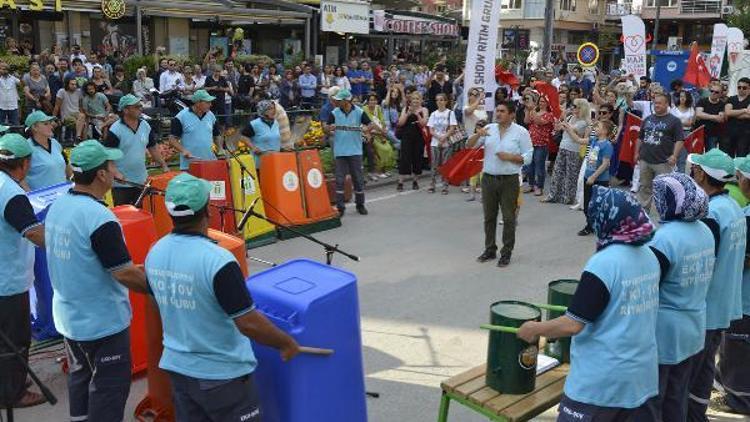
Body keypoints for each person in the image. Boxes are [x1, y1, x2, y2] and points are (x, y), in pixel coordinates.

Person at [144, 173, 300, 421]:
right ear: (207, 209)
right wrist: (285, 342)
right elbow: (247, 322)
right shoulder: (218, 260)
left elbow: (157, 306)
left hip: (179, 370)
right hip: (222, 376)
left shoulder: (156, 251)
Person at [517, 186, 660, 421]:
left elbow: (573, 324)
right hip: (640, 377)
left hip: (601, 384)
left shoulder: (603, 264)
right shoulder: (650, 256)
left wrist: (535, 329)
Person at [45, 140, 150, 422]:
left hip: (70, 319)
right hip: (102, 323)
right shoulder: (99, 217)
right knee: (108, 390)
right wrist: (158, 288)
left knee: (80, 380)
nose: (116, 170)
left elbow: (85, 255)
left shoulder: (59, 205)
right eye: (112, 165)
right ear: (101, 174)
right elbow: (123, 273)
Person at [648, 172, 716, 422]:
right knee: (677, 396)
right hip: (694, 326)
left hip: (665, 333)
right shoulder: (704, 230)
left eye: (659, 197)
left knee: (655, 399)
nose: (656, 203)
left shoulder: (665, 238)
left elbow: (650, 284)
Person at [686, 148, 746, 421]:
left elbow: (704, 262)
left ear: (701, 174)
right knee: (706, 365)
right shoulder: (734, 207)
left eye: (696, 169)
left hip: (707, 308)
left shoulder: (712, 213)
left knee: (695, 369)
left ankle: (694, 415)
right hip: (725, 305)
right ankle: (698, 412)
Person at [0, 134, 46, 410]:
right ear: (25, 163)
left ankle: (9, 380)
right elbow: (34, 234)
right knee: (15, 338)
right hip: (8, 279)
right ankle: (13, 392)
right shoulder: (11, 193)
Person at [467, 101, 532, 268]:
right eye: (497, 111)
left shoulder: (521, 132)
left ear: (511, 114)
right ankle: (490, 249)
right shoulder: (489, 129)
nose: (498, 114)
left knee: (509, 218)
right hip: (488, 179)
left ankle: (506, 252)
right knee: (489, 217)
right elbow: (469, 145)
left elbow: (529, 155)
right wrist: (477, 135)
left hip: (509, 180)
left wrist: (511, 157)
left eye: (502, 111)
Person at [715, 155, 750, 414]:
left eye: (740, 177)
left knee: (739, 349)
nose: (737, 181)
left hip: (745, 297)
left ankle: (738, 401)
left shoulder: (746, 215)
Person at [105, 95, 169, 206]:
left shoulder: (145, 125)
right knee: (126, 219)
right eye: (137, 107)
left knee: (143, 216)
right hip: (122, 184)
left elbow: (153, 148)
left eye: (140, 106)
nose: (141, 108)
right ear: (125, 110)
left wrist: (163, 165)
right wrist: (116, 173)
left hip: (142, 181)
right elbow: (108, 159)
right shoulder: (115, 130)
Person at [325, 88, 373, 217]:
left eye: (340, 100)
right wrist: (329, 128)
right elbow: (326, 128)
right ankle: (340, 207)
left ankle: (360, 204)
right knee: (339, 180)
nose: (338, 102)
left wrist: (366, 129)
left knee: (358, 179)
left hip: (355, 150)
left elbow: (370, 124)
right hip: (340, 151)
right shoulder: (334, 113)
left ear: (347, 101)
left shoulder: (359, 112)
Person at [635, 93, 684, 213]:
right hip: (645, 159)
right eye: (655, 103)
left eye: (659, 103)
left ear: (667, 104)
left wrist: (674, 156)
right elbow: (640, 138)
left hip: (663, 162)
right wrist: (637, 153)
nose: (656, 105)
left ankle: (665, 213)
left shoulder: (674, 121)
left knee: (664, 188)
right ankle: (643, 212)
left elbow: (680, 140)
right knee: (644, 187)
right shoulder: (647, 119)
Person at [544, 98, 590, 205]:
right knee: (557, 171)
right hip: (563, 147)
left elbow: (572, 130)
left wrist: (564, 118)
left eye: (575, 107)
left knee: (571, 174)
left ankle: (569, 197)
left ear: (581, 108)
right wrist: (559, 122)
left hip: (574, 150)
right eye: (573, 106)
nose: (573, 108)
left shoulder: (584, 122)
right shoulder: (570, 117)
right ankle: (554, 195)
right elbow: (559, 127)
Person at [578, 120, 615, 236]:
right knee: (587, 205)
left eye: (598, 127)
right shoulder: (594, 140)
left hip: (599, 180)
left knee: (598, 205)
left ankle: (595, 226)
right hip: (588, 177)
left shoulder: (607, 145)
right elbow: (578, 140)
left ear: (604, 131)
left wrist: (593, 177)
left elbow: (605, 164)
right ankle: (591, 225)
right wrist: (567, 128)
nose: (596, 129)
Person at [169, 89, 221, 170]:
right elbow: (172, 139)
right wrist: (183, 151)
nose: (210, 105)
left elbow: (217, 135)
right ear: (198, 103)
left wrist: (220, 149)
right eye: (207, 102)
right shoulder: (181, 117)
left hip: (211, 163)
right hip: (189, 166)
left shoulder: (211, 115)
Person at [24, 110, 71, 191]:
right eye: (46, 124)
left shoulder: (55, 143)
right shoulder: (26, 148)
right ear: (34, 127)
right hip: (42, 199)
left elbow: (66, 164)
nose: (51, 126)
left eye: (50, 123)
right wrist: (32, 198)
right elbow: (21, 178)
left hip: (63, 195)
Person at [396, 92, 429, 192]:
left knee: (417, 158)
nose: (415, 101)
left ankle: (415, 181)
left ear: (421, 100)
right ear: (410, 100)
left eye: (417, 99)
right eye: (413, 99)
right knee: (404, 158)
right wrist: (408, 114)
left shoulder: (424, 109)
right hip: (406, 136)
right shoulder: (405, 109)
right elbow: (400, 123)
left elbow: (424, 124)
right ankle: (400, 182)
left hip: (418, 137)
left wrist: (417, 114)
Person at [524, 94, 555, 196]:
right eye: (540, 101)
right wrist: (528, 110)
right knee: (529, 165)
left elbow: (539, 122)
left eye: (543, 102)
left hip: (542, 144)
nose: (541, 103)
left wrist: (532, 109)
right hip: (530, 142)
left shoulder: (549, 115)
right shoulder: (534, 112)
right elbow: (526, 121)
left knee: (539, 166)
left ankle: (539, 186)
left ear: (547, 103)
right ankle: (531, 184)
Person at [427, 93, 457, 194]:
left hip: (446, 142)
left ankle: (445, 186)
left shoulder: (450, 113)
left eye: (441, 100)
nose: (439, 102)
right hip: (435, 143)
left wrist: (444, 137)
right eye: (437, 100)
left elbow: (452, 128)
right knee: (434, 164)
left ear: (445, 101)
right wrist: (439, 138)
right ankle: (432, 184)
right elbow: (431, 130)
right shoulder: (433, 114)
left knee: (445, 164)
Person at [242, 100, 282, 168]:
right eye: (270, 109)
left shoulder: (277, 123)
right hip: (260, 162)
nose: (273, 111)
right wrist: (253, 147)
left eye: (273, 108)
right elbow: (243, 136)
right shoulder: (254, 124)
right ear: (263, 111)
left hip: (276, 160)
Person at [695, 82, 726, 152]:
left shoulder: (722, 104)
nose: (713, 93)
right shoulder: (702, 101)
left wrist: (705, 115)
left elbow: (720, 119)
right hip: (700, 132)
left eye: (716, 92)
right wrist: (714, 117)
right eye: (712, 91)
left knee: (710, 157)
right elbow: (698, 114)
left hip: (713, 134)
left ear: (720, 94)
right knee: (697, 155)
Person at [54, 77, 86, 142]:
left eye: (75, 84)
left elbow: (80, 106)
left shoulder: (79, 91)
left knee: (82, 116)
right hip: (67, 115)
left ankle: (78, 137)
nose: (74, 86)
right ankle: (78, 139)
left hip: (77, 114)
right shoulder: (62, 91)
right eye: (72, 84)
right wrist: (54, 118)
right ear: (67, 84)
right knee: (77, 122)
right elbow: (57, 106)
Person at [723, 77, 750, 157]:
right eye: (739, 87)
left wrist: (734, 113)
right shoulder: (731, 99)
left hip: (745, 134)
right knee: (728, 158)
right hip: (730, 133)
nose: (741, 89)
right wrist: (744, 110)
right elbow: (727, 112)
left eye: (744, 88)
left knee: (741, 158)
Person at [670, 91, 695, 173]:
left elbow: (690, 123)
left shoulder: (691, 109)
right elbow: (672, 122)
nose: (682, 98)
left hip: (686, 134)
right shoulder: (674, 109)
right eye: (681, 96)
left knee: (682, 158)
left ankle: (681, 176)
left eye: (684, 96)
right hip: (675, 134)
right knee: (674, 156)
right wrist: (683, 122)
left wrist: (678, 121)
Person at [0, 61, 21, 126]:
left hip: (13, 105)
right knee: (1, 126)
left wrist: (19, 77)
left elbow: (22, 84)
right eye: (2, 69)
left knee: (15, 125)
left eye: (5, 69)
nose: (4, 70)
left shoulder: (13, 78)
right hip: (1, 106)